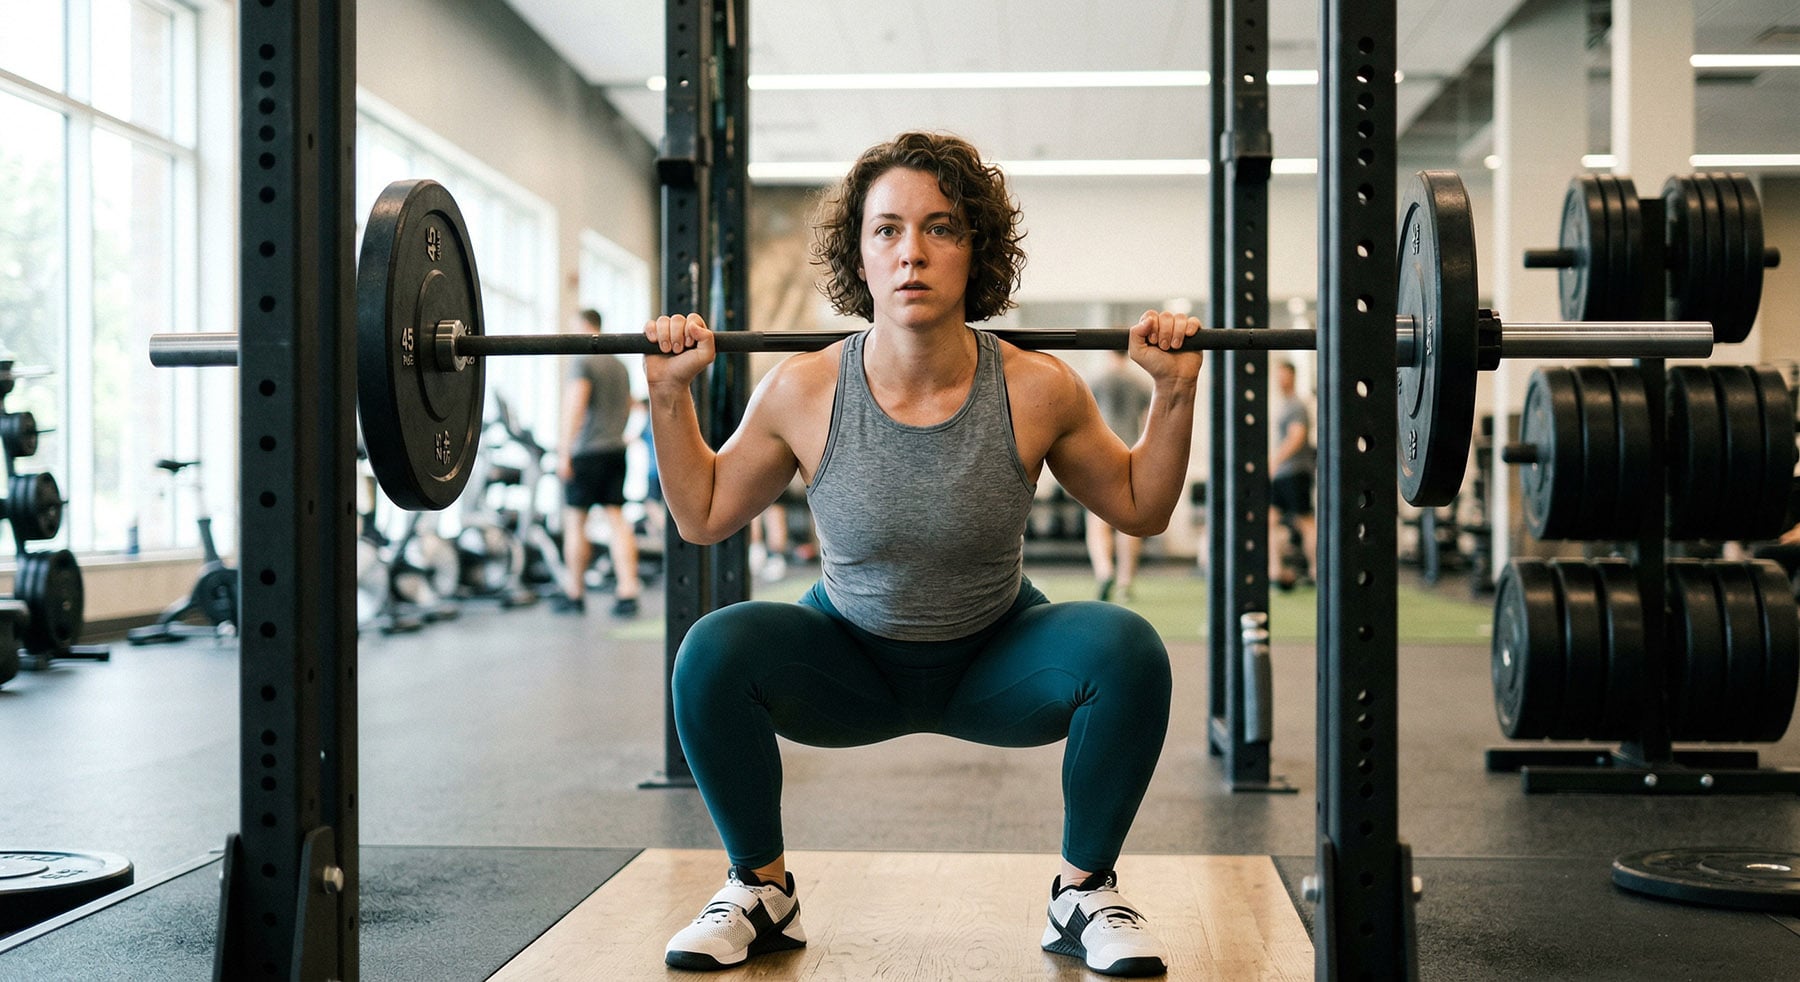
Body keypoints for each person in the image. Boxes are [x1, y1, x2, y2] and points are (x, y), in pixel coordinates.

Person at [641, 131, 1203, 977]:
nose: (912, 253)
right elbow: (705, 513)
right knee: (712, 651)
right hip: (848, 662)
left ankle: (1084, 893)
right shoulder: (805, 387)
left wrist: (1175, 389)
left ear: (976, 251)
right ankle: (761, 890)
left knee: (1125, 650)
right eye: (888, 230)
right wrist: (668, 395)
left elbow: (1142, 505)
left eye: (942, 228)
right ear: (858, 256)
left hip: (996, 660)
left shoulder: (1036, 385)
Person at [555, 308, 642, 617]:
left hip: (587, 452)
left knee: (575, 522)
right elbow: (632, 404)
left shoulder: (583, 358)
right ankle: (628, 590)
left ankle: (574, 592)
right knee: (617, 520)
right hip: (615, 450)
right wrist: (623, 434)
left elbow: (576, 404)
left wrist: (564, 450)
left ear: (584, 326)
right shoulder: (620, 364)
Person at [1085, 348, 1154, 602]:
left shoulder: (1096, 380)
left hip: (1100, 453)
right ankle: (1125, 583)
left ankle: (1104, 572)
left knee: (1097, 520)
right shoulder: (1140, 383)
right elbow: (1150, 422)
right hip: (1129, 452)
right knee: (1128, 521)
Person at [1268, 358, 1317, 590]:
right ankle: (1276, 571)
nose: (1279, 379)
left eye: (1283, 374)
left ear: (1292, 376)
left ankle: (1317, 571)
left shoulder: (1297, 405)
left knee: (1305, 522)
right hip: (1282, 474)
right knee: (1270, 520)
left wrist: (1275, 459)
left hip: (1295, 473)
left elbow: (1297, 437)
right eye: (1277, 375)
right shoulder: (1286, 405)